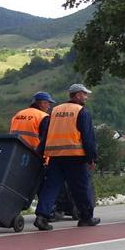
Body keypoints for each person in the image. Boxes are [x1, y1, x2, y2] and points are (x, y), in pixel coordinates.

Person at [33, 84, 100, 230]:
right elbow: (88, 138)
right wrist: (92, 158)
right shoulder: (81, 111)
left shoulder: (55, 111)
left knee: (51, 187)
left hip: (55, 157)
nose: (86, 97)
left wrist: (40, 153)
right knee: (81, 188)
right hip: (76, 157)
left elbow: (46, 135)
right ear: (77, 95)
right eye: (84, 94)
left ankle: (42, 217)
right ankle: (86, 217)